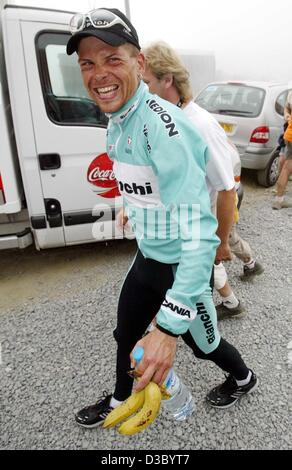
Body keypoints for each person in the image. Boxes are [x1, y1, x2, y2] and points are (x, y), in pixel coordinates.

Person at [66, 8, 258, 428]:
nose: (99, 73)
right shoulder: (119, 119)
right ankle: (120, 399)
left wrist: (168, 329)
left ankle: (243, 376)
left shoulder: (163, 128)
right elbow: (140, 182)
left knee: (204, 346)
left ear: (139, 63)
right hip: (147, 257)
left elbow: (201, 237)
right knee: (125, 334)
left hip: (182, 269)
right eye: (88, 63)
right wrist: (127, 209)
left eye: (112, 58)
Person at [143, 41, 263, 319]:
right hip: (175, 224)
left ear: (167, 79)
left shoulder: (200, 125)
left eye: (145, 81)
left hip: (201, 223)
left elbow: (226, 189)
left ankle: (223, 310)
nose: (140, 89)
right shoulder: (160, 117)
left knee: (204, 276)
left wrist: (220, 242)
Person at [272, 90, 292, 210]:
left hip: (289, 135)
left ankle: (279, 199)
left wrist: (287, 114)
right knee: (286, 167)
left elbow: (287, 107)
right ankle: (279, 200)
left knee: (285, 167)